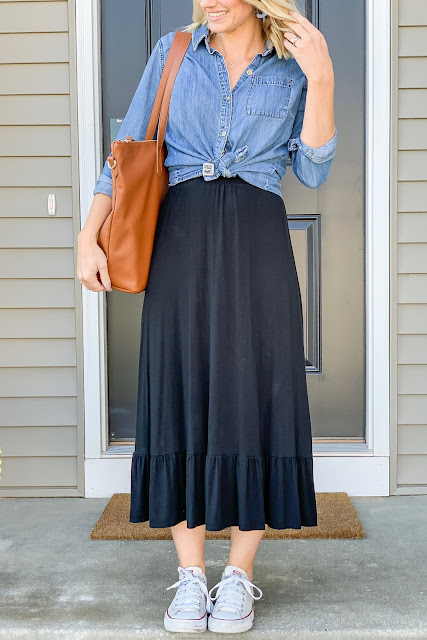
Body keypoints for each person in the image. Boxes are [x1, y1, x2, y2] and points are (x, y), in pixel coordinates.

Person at [77, 0, 337, 634]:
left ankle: (239, 576)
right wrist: (89, 236)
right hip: (180, 240)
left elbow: (312, 168)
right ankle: (192, 575)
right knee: (181, 391)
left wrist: (323, 78)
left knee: (254, 392)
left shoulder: (293, 65)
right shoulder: (172, 54)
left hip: (258, 239)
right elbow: (128, 150)